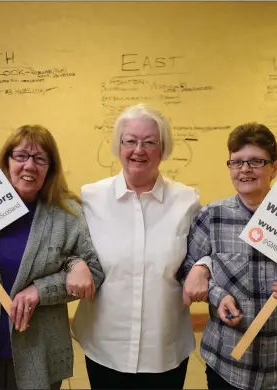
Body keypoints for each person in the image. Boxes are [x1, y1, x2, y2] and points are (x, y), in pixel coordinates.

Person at [0, 124, 105, 390]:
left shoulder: (68, 213)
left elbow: (93, 272)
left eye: (40, 158)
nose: (30, 165)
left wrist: (40, 290)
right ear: (6, 161)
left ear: (50, 167)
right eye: (21, 156)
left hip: (40, 346)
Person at [71, 104, 210, 389]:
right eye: (130, 141)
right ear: (118, 145)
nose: (139, 150)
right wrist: (75, 263)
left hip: (164, 346)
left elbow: (203, 251)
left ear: (163, 148)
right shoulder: (90, 197)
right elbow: (70, 247)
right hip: (105, 343)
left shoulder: (186, 200)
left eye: (149, 142)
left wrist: (202, 266)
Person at [184, 122, 277, 390]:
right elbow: (188, 269)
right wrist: (216, 294)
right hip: (228, 363)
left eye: (256, 161)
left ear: (275, 167)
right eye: (236, 162)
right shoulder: (212, 216)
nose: (245, 169)